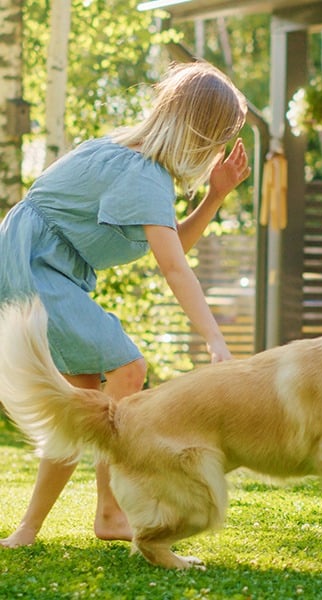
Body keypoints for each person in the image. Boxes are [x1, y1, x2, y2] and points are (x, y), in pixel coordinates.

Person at [0, 61, 251, 548]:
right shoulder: (144, 175)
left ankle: (27, 530)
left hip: (38, 266)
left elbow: (172, 248)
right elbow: (174, 268)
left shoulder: (130, 160)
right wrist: (215, 340)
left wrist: (216, 196)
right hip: (33, 267)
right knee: (128, 368)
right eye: (220, 137)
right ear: (201, 134)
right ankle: (111, 512)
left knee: (82, 407)